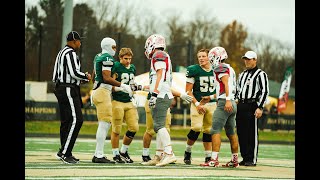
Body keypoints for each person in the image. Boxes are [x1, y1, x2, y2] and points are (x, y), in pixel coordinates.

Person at [52, 31, 92, 164]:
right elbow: (74, 72)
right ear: (74, 41)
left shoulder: (61, 52)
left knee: (66, 120)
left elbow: (64, 74)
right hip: (68, 89)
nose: (80, 43)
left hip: (62, 87)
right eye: (79, 41)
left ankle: (63, 150)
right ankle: (65, 153)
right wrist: (85, 76)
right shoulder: (70, 53)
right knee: (77, 120)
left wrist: (79, 80)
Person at [90, 37, 132, 163]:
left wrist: (95, 89)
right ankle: (99, 154)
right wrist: (122, 85)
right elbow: (107, 78)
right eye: (113, 47)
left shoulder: (98, 56)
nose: (115, 49)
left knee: (104, 124)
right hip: (103, 91)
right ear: (108, 46)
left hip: (99, 90)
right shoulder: (107, 58)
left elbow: (94, 76)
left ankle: (98, 153)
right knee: (104, 124)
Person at [200, 46, 239, 168]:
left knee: (215, 130)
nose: (211, 60)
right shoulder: (229, 68)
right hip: (232, 102)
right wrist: (211, 97)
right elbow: (224, 88)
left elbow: (226, 84)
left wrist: (226, 100)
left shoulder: (220, 67)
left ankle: (214, 160)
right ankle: (234, 160)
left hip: (225, 102)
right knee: (231, 133)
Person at [141, 34, 177, 167]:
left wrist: (154, 94)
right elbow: (157, 78)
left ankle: (169, 153)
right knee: (158, 125)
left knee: (159, 125)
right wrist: (143, 87)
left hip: (162, 95)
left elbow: (161, 75)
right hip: (162, 94)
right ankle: (159, 155)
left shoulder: (158, 55)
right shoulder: (161, 55)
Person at [183, 48, 217, 165]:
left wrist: (212, 98)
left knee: (208, 130)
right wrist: (197, 104)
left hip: (212, 103)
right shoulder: (194, 70)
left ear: (210, 57)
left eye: (203, 56)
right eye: (199, 57)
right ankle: (188, 151)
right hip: (197, 102)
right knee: (197, 127)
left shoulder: (216, 70)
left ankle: (208, 156)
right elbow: (188, 91)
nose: (201, 59)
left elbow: (221, 90)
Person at [235, 50, 269, 166]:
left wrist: (260, 107)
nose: (246, 61)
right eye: (245, 59)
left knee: (251, 133)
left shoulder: (261, 74)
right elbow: (237, 90)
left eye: (249, 59)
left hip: (252, 105)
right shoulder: (242, 74)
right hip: (241, 105)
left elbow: (265, 91)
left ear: (255, 60)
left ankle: (252, 159)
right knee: (241, 132)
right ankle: (245, 157)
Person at [141, 88, 192, 163]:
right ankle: (167, 153)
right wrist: (180, 95)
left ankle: (160, 155)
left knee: (164, 128)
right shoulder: (160, 77)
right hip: (156, 101)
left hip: (162, 102)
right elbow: (161, 86)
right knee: (152, 129)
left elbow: (165, 87)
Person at [109, 47, 142, 163]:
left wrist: (134, 92)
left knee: (134, 127)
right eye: (126, 58)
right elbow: (111, 86)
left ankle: (123, 151)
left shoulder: (132, 68)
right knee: (116, 129)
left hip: (129, 102)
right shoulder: (116, 66)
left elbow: (132, 84)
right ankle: (115, 154)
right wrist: (122, 87)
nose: (128, 61)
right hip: (117, 101)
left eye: (130, 58)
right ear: (120, 58)